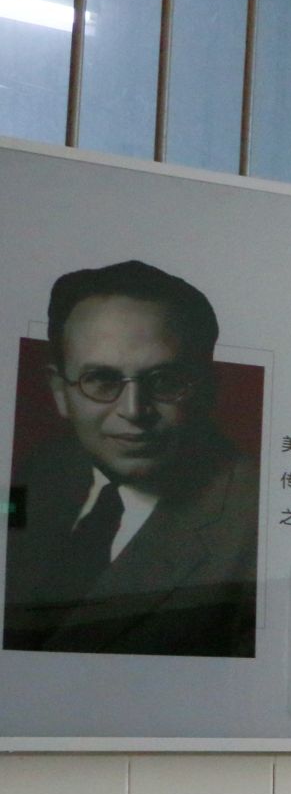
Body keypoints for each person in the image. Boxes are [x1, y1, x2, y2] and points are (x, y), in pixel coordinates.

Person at [4, 260, 259, 657]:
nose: (134, 411)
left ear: (207, 390)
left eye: (165, 381)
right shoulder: (43, 470)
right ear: (59, 391)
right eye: (101, 380)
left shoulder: (254, 525)